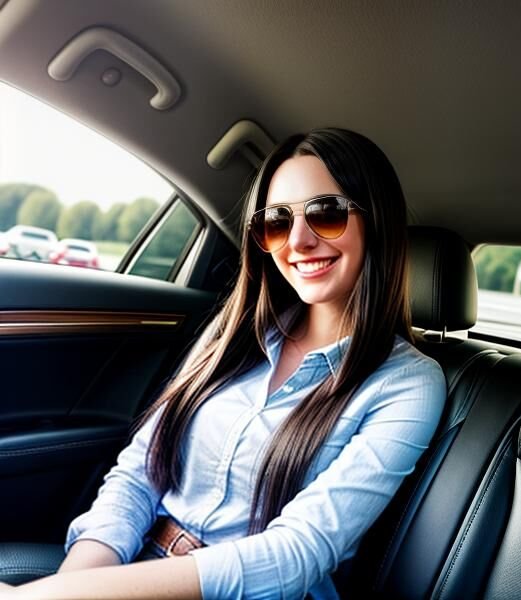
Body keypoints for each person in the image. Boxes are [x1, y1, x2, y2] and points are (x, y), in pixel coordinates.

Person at [0, 128, 446, 599]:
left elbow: (294, 555)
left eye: (326, 213)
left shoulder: (407, 383)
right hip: (131, 571)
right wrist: (73, 585)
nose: (298, 241)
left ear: (376, 221)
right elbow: (141, 470)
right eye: (276, 221)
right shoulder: (236, 333)